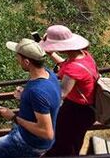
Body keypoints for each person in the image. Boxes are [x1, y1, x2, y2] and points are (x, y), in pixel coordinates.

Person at [0, 38, 61, 158]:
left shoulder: (36, 91)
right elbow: (46, 100)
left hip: (31, 142)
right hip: (28, 133)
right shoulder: (49, 75)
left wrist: (13, 117)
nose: (17, 59)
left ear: (26, 62)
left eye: (18, 57)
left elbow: (47, 133)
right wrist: (25, 95)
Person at [39, 25, 97, 156]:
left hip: (77, 111)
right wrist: (51, 54)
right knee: (73, 141)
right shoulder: (83, 56)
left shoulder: (74, 68)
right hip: (87, 108)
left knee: (64, 144)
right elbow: (65, 64)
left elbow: (61, 93)